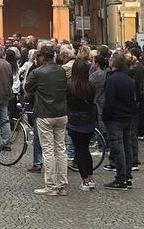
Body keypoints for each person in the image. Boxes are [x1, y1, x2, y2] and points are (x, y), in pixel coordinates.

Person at [23, 44, 68, 196]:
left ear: (41, 57)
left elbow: (27, 88)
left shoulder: (38, 72)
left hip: (45, 113)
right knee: (61, 149)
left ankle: (50, 186)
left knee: (48, 150)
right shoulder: (61, 70)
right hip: (61, 113)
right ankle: (62, 185)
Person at [102, 53, 137, 190]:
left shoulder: (112, 79)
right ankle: (127, 176)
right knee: (126, 146)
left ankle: (121, 178)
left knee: (118, 148)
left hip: (115, 117)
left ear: (114, 63)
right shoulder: (128, 79)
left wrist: (105, 116)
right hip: (127, 116)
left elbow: (109, 101)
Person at [66, 58, 98, 191]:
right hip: (89, 121)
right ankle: (90, 178)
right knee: (86, 150)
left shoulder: (69, 85)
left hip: (75, 121)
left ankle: (84, 179)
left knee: (79, 150)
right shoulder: (90, 85)